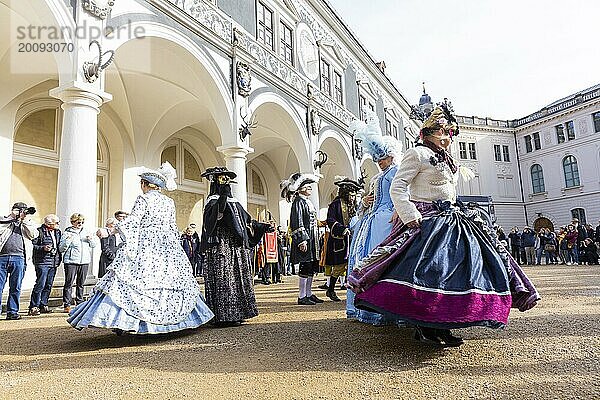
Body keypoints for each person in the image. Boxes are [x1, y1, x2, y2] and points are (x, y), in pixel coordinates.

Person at [348, 103, 540, 347]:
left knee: (460, 272)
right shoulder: (416, 154)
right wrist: (410, 215)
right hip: (427, 221)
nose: (447, 137)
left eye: (448, 132)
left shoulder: (446, 159)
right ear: (428, 132)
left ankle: (446, 324)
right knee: (430, 273)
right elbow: (398, 188)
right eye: (442, 131)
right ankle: (425, 326)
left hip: (453, 219)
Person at [68, 162, 214, 334]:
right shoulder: (168, 202)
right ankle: (172, 321)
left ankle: (129, 322)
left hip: (145, 244)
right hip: (166, 246)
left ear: (145, 185)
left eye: (141, 184)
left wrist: (110, 231)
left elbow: (133, 220)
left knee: (133, 281)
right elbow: (172, 227)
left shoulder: (143, 198)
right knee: (168, 279)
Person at [346, 111, 402, 325]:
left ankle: (384, 309)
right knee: (365, 259)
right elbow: (373, 199)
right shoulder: (378, 176)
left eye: (383, 157)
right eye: (377, 158)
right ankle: (364, 306)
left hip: (387, 221)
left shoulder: (396, 172)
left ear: (391, 155)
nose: (379, 161)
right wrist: (365, 201)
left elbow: (400, 194)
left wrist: (398, 209)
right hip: (372, 221)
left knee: (382, 261)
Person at [200, 166, 273, 327]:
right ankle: (223, 316)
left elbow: (247, 222)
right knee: (224, 279)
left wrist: (263, 227)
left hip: (236, 248)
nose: (226, 183)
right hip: (221, 246)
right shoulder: (212, 201)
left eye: (227, 180)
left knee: (237, 279)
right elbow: (212, 221)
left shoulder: (235, 203)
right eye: (222, 179)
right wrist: (222, 198)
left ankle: (238, 312)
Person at [281, 172, 323, 305]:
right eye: (308, 187)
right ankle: (301, 296)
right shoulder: (298, 202)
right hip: (305, 239)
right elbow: (297, 222)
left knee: (310, 266)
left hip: (312, 239)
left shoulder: (306, 202)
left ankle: (309, 294)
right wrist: (302, 240)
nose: (310, 188)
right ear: (302, 189)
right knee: (305, 267)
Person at [322, 177, 361, 302]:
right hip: (340, 240)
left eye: (354, 195)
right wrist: (342, 229)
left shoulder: (353, 204)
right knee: (340, 266)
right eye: (351, 195)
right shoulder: (336, 204)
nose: (353, 198)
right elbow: (330, 220)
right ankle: (331, 289)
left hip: (352, 238)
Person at [0, 202, 38, 320]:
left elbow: (33, 235)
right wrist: (12, 218)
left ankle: (12, 312)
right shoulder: (4, 220)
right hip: (2, 257)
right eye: (19, 210)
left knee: (16, 286)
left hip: (19, 258)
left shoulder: (28, 223)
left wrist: (24, 220)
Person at [59, 213, 96, 313]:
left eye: (82, 222)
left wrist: (90, 239)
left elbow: (93, 245)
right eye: (78, 222)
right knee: (69, 283)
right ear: (73, 222)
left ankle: (79, 302)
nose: (80, 223)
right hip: (71, 261)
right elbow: (61, 248)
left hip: (84, 261)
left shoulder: (86, 231)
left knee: (81, 283)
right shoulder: (67, 233)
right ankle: (67, 303)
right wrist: (67, 241)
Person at [28, 214, 62, 316]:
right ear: (49, 224)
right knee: (40, 284)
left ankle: (43, 304)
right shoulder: (39, 231)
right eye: (56, 223)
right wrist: (43, 248)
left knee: (48, 284)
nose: (58, 224)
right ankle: (34, 306)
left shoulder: (58, 232)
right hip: (42, 262)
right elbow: (33, 245)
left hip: (54, 261)